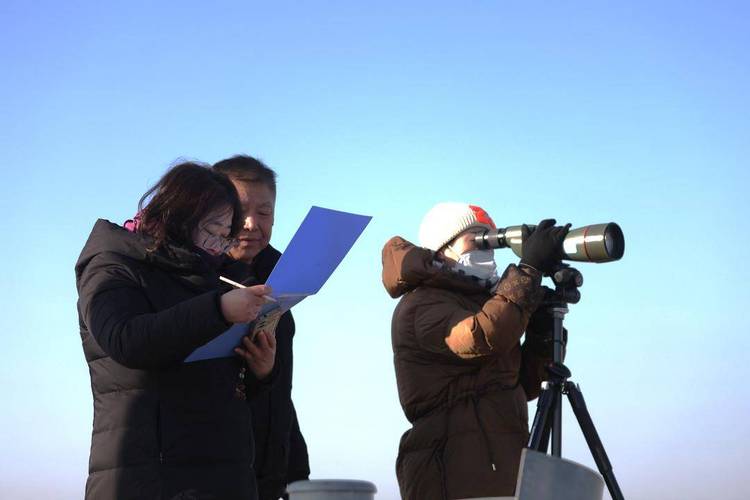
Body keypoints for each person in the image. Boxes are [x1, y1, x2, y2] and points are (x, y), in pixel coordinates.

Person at [75, 161, 278, 500]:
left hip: (224, 477)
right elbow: (126, 340)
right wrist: (219, 309)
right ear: (181, 217)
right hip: (149, 478)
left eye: (225, 236)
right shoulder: (114, 264)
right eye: (213, 231)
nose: (219, 246)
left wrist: (258, 371)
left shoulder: (210, 275)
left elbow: (215, 380)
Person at [381, 202, 570, 499]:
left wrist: (541, 330)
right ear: (444, 247)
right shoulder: (421, 304)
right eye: (479, 239)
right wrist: (528, 271)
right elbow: (481, 338)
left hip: (503, 468)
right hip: (451, 471)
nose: (488, 248)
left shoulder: (487, 302)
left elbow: (523, 386)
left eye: (492, 240)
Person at [213, 155, 310, 500]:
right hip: (215, 473)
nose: (252, 224)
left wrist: (296, 467)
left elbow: (279, 384)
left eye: (265, 213)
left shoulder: (284, 279)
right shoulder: (193, 281)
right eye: (240, 211)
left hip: (277, 472)